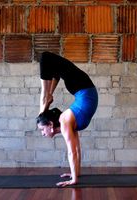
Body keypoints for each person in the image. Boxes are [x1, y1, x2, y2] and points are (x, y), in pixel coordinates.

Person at [36, 51, 98, 187]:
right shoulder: (68, 122)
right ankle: (48, 97)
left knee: (46, 58)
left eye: (42, 129)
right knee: (57, 70)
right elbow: (77, 149)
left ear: (51, 124)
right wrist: (75, 172)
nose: (42, 133)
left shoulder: (64, 120)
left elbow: (72, 151)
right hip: (85, 90)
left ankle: (46, 98)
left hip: (84, 89)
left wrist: (74, 180)